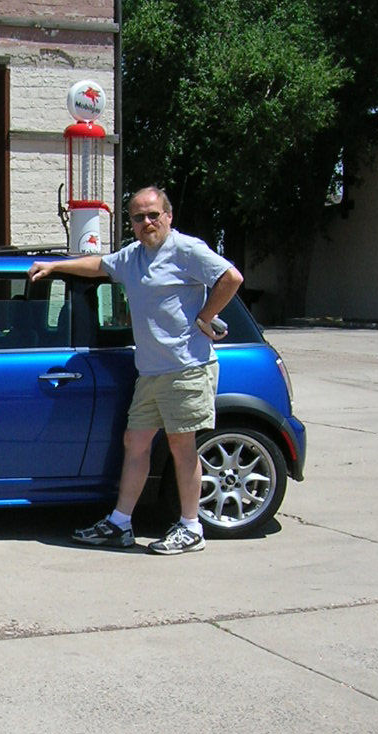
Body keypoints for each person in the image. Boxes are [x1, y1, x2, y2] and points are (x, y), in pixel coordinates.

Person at [29, 186, 243, 555]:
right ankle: (120, 524)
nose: (146, 222)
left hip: (186, 368)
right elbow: (99, 265)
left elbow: (231, 278)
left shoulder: (186, 249)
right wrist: (56, 265)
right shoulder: (134, 256)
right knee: (136, 443)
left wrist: (206, 316)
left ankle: (191, 528)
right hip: (150, 371)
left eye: (153, 214)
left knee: (182, 446)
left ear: (168, 216)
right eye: (138, 217)